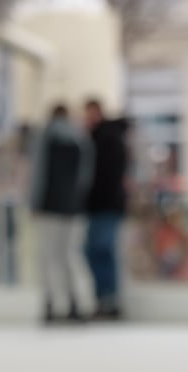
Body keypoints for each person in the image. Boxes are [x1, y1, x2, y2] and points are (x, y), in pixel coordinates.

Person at [27, 103, 93, 324]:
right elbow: (86, 176)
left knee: (48, 257)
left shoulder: (45, 137)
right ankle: (78, 302)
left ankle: (51, 303)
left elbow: (38, 172)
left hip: (49, 206)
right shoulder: (81, 139)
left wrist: (34, 202)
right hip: (74, 208)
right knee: (71, 256)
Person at [81, 98, 132, 320]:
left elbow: (109, 177)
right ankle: (103, 298)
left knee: (102, 251)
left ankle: (109, 299)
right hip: (98, 206)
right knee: (94, 251)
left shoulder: (107, 139)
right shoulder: (96, 138)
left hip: (107, 206)